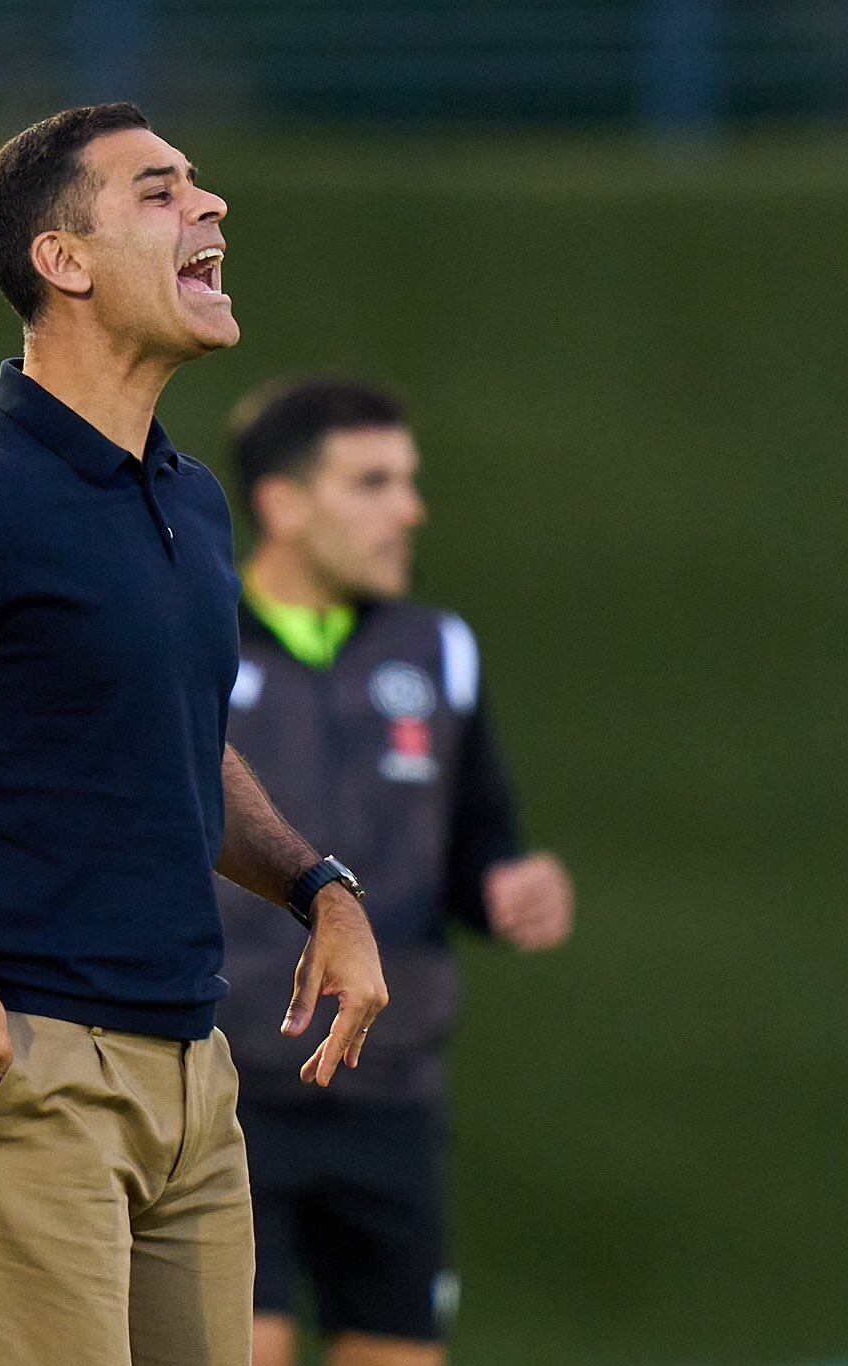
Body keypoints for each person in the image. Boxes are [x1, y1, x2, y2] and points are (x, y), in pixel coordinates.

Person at [0, 104, 390, 1366]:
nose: (209, 206)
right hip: (23, 1067)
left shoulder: (189, 500)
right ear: (63, 260)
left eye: (197, 184)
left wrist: (316, 886)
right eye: (159, 192)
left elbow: (176, 741)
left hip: (190, 1080)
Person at [215, 379, 575, 1366]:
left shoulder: (439, 651)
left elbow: (479, 842)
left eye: (407, 481)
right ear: (284, 504)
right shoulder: (192, 641)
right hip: (224, 1091)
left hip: (389, 1093)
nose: (408, 510)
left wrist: (507, 888)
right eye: (373, 483)